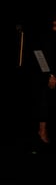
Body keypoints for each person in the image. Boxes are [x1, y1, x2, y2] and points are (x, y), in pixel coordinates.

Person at [36, 15, 56, 149]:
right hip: (45, 75)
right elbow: (39, 53)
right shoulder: (46, 36)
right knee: (44, 101)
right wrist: (50, 75)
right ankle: (41, 131)